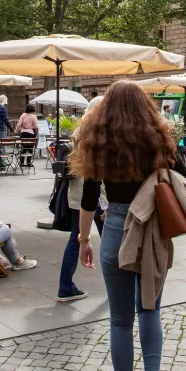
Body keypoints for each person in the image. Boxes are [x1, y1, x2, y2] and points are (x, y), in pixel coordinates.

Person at [72, 81, 186, 371]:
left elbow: (88, 199)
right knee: (150, 308)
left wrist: (84, 239)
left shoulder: (98, 140)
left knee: (119, 319)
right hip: (152, 231)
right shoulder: (157, 139)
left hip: (115, 227)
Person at [57, 95, 106, 303]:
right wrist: (107, 201)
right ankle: (120, 284)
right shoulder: (97, 134)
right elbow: (99, 173)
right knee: (112, 240)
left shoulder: (78, 132)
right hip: (95, 196)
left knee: (76, 239)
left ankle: (65, 286)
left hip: (77, 195)